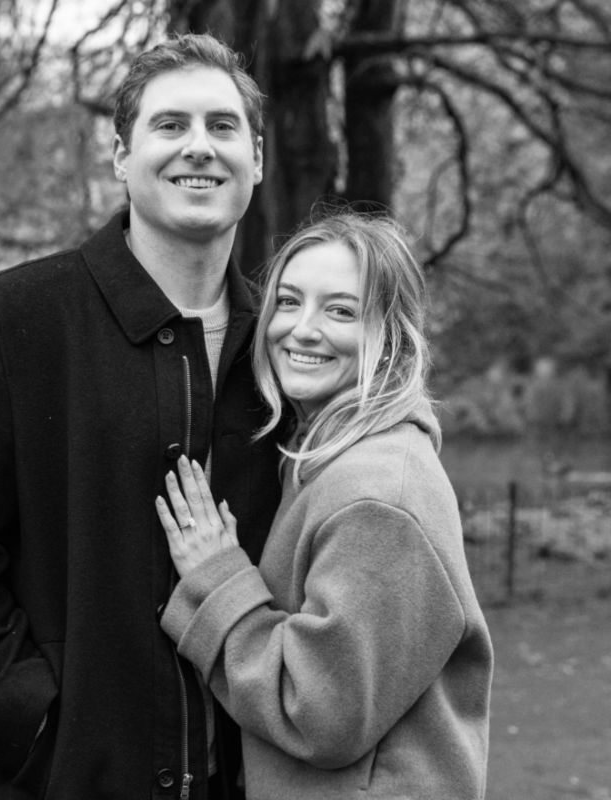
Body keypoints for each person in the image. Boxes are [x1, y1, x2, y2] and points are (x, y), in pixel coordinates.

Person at [0, 33, 283, 800]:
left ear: (258, 159)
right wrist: (33, 719)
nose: (199, 146)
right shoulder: (14, 321)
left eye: (222, 125)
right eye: (170, 125)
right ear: (120, 157)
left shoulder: (285, 351)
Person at [155, 210, 494, 800]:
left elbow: (318, 712)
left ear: (390, 338)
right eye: (288, 302)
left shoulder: (378, 497)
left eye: (340, 311)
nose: (302, 330)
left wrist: (216, 578)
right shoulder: (328, 458)